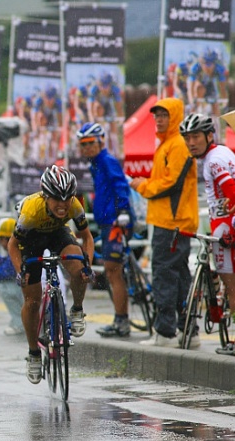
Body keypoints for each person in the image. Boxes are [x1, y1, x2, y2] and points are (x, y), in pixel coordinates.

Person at [7, 165, 94, 385]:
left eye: (67, 199)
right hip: (32, 239)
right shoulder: (31, 212)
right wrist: (21, 272)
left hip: (58, 234)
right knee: (32, 300)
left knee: (78, 268)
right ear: (46, 196)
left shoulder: (74, 205)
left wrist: (87, 266)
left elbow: (87, 237)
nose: (63, 205)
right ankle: (34, 353)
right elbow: (13, 245)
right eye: (57, 199)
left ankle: (76, 310)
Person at [130, 98, 198, 347]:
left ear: (175, 116)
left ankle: (167, 332)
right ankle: (187, 331)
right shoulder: (168, 144)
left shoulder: (176, 145)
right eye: (156, 115)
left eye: (164, 115)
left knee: (165, 276)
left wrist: (142, 186)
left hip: (172, 222)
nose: (158, 120)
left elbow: (171, 183)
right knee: (179, 276)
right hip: (172, 221)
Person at [180, 113, 235, 353]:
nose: (191, 142)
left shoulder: (214, 161)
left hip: (226, 229)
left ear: (209, 135)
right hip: (227, 224)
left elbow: (233, 194)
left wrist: (233, 229)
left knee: (234, 290)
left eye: (195, 137)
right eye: (187, 138)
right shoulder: (223, 152)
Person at [77, 122, 135, 338]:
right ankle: (121, 318)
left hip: (115, 223)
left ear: (101, 141)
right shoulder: (96, 163)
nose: (86, 148)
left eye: (90, 143)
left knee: (113, 270)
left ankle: (122, 321)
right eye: (83, 144)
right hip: (106, 222)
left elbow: (120, 186)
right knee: (113, 271)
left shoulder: (107, 160)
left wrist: (122, 212)